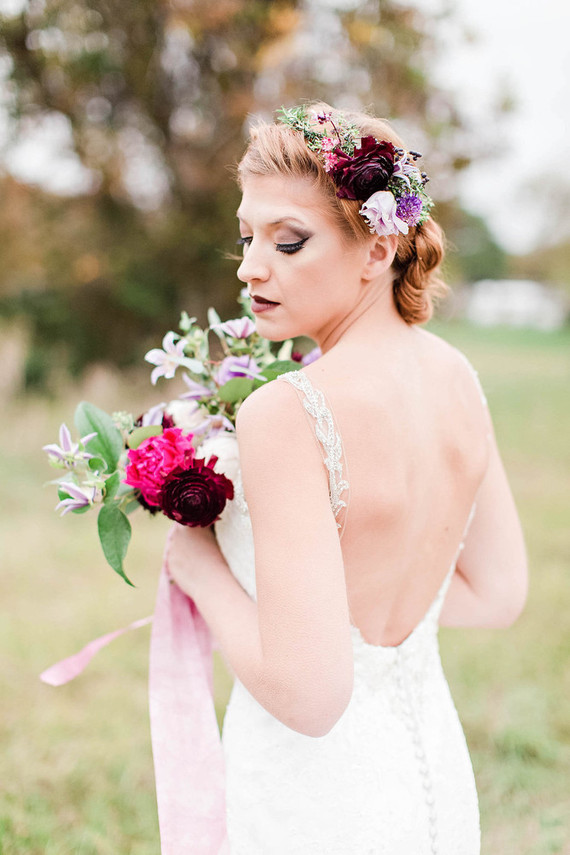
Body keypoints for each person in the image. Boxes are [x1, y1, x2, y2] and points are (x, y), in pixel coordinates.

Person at [165, 102, 528, 854]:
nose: (249, 267)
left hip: (317, 802)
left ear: (377, 248)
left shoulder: (288, 411)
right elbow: (498, 594)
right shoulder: (457, 376)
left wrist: (199, 570)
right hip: (432, 783)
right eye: (246, 237)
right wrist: (365, 624)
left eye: (288, 242)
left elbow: (310, 695)